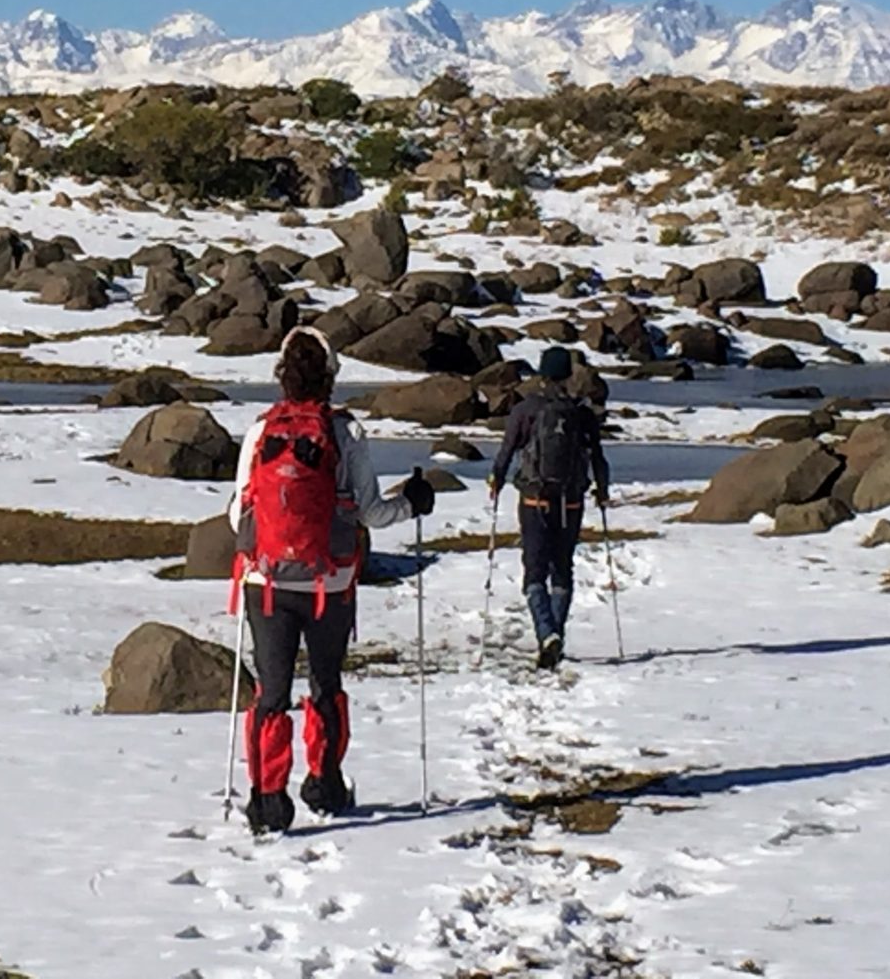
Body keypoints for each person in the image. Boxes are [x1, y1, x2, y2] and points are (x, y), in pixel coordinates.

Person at [228, 326, 435, 834]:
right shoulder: (346, 433)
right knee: (326, 685)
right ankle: (325, 784)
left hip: (266, 583)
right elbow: (370, 513)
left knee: (269, 693)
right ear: (331, 375)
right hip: (329, 583)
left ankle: (267, 801)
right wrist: (413, 502)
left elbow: (240, 514)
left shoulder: (260, 431)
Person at [486, 346, 610, 670]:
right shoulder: (581, 413)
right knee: (563, 569)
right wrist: (603, 491)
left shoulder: (525, 410)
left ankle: (547, 633)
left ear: (541, 374)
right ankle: (554, 635)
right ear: (569, 375)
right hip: (570, 500)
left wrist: (496, 481)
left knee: (535, 571)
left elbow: (505, 453)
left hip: (534, 499)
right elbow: (597, 456)